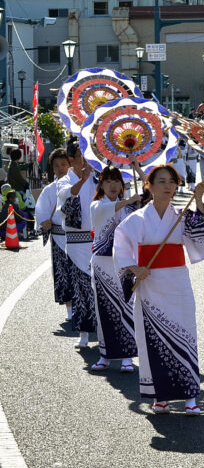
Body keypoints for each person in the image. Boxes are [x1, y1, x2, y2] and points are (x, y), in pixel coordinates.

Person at [113, 164, 204, 415]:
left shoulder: (182, 215)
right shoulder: (136, 219)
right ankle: (159, 396)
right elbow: (121, 243)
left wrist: (200, 201)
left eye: (172, 181)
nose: (168, 186)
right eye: (161, 181)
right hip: (150, 284)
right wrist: (134, 267)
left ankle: (191, 396)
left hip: (177, 282)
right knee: (152, 339)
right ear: (149, 185)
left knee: (185, 335)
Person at [89, 166, 144, 373]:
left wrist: (137, 167)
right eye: (108, 181)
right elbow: (106, 211)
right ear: (101, 185)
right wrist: (130, 201)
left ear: (122, 185)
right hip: (102, 265)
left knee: (126, 310)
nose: (113, 185)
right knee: (104, 311)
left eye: (116, 181)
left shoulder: (132, 207)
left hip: (125, 266)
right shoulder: (97, 205)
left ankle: (127, 357)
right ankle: (105, 355)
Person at [57, 141, 99, 349]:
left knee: (100, 287)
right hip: (75, 241)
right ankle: (83, 333)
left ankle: (104, 331)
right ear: (71, 159)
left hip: (98, 238)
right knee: (81, 288)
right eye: (82, 155)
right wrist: (82, 179)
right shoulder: (64, 181)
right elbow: (67, 195)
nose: (86, 159)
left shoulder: (98, 177)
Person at [36, 149, 74, 321]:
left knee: (80, 272)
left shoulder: (78, 185)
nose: (60, 168)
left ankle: (84, 307)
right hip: (59, 236)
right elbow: (42, 211)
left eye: (64, 164)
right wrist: (44, 221)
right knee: (63, 273)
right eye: (56, 165)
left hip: (78, 237)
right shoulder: (50, 189)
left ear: (70, 164)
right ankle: (70, 309)